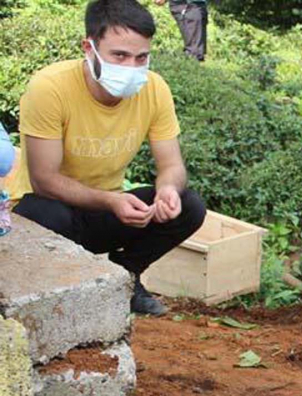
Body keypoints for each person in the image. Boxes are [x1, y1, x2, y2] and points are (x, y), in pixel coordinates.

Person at [10, 0, 206, 316]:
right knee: (47, 214)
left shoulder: (154, 89)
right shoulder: (50, 87)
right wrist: (111, 202)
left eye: (141, 57)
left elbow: (172, 166)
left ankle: (123, 278)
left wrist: (168, 189)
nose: (131, 67)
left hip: (105, 212)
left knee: (190, 205)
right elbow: (43, 180)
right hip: (45, 215)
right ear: (89, 47)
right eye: (120, 56)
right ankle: (55, 293)